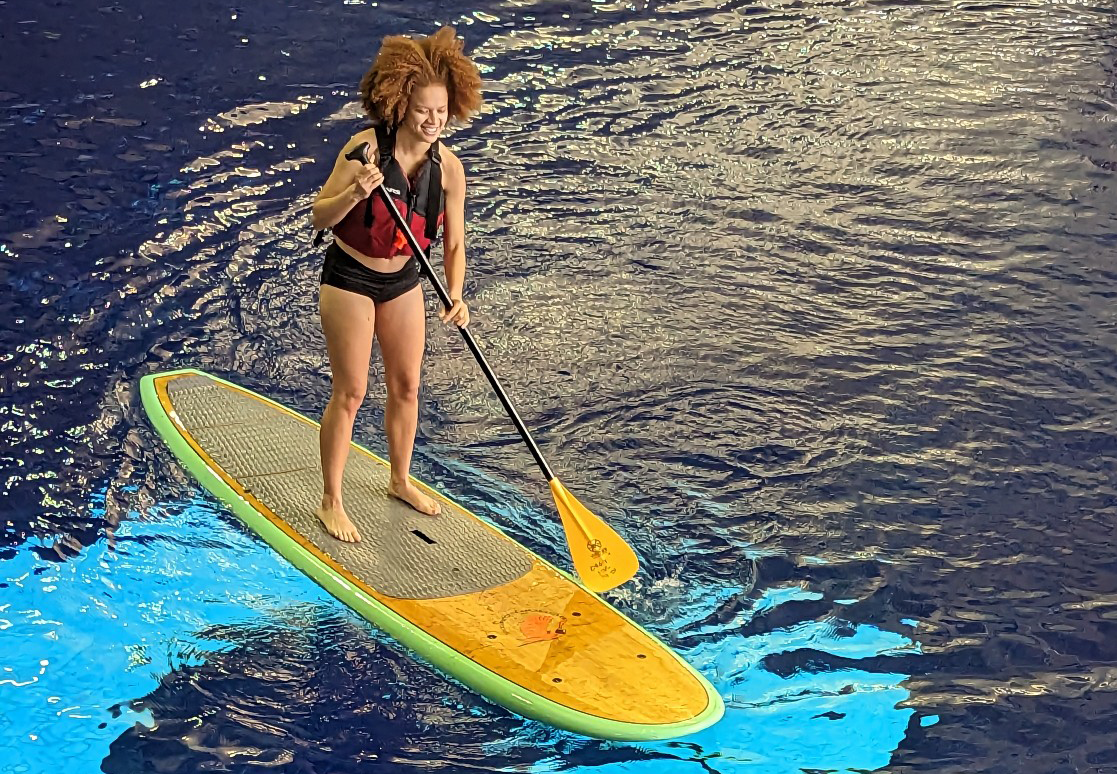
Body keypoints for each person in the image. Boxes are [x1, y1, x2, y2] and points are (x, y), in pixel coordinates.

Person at [309, 26, 482, 542]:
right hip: (350, 277)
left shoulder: (450, 169)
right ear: (402, 105)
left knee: (407, 386)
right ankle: (330, 500)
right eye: (424, 110)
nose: (433, 121)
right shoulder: (364, 149)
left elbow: (453, 243)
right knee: (353, 390)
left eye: (442, 111)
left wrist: (456, 293)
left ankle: (400, 479)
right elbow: (320, 217)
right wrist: (355, 195)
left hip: (404, 279)